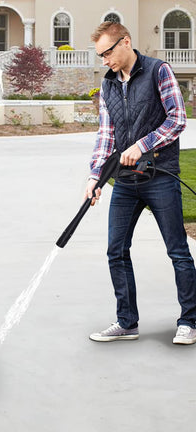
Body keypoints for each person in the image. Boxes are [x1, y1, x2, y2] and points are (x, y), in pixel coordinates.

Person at [85, 21, 196, 345]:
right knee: (116, 251)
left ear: (126, 42)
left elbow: (177, 119)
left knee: (177, 251)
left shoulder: (158, 71)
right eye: (100, 55)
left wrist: (142, 145)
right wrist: (95, 176)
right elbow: (106, 135)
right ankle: (126, 322)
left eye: (107, 53)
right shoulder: (107, 85)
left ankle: (189, 321)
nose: (104, 60)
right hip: (125, 182)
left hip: (160, 176)